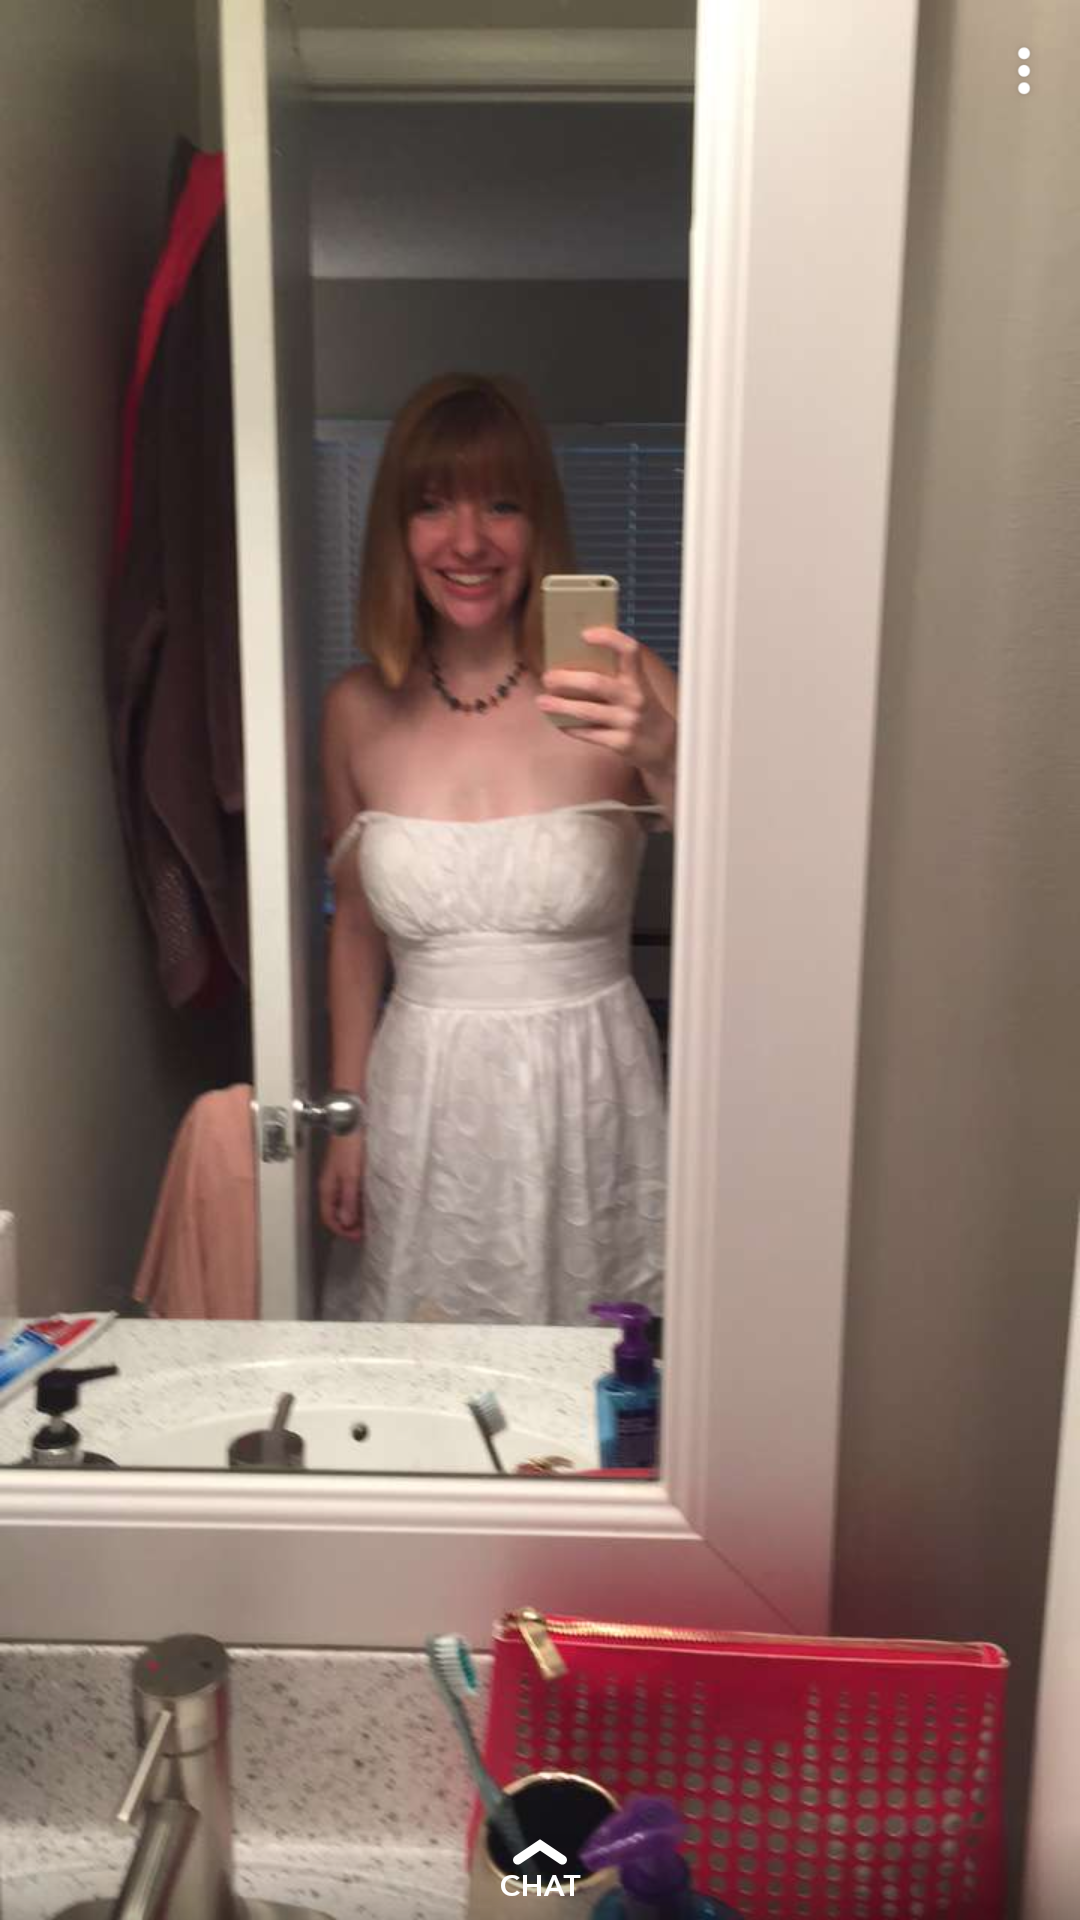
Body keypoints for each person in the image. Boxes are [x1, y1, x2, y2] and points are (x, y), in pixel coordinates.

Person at [319, 372, 677, 1323]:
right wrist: (347, 1119)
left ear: (540, 524)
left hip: (590, 1097)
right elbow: (355, 930)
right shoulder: (355, 710)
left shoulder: (625, 688)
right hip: (422, 1102)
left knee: (598, 1370)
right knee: (426, 1370)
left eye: (502, 505)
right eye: (434, 505)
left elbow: (751, 884)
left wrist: (669, 754)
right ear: (396, 531)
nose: (468, 542)